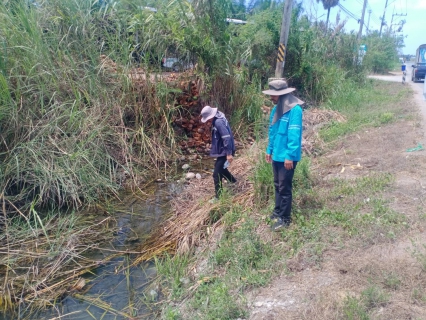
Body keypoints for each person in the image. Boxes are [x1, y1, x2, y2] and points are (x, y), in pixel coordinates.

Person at [262, 79, 304, 231]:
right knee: (277, 185)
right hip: (276, 155)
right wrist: (269, 149)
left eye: (274, 95)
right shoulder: (276, 109)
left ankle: (284, 219)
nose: (271, 98)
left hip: (286, 157)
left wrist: (290, 156)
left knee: (285, 187)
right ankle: (278, 211)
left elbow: (294, 134)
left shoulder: (295, 110)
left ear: (282, 94)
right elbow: (272, 132)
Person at [200, 105, 237, 200]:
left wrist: (229, 153)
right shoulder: (218, 117)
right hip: (223, 151)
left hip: (225, 151)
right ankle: (233, 182)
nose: (207, 121)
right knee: (221, 169)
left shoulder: (218, 122)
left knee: (216, 174)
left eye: (207, 119)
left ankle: (218, 197)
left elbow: (226, 137)